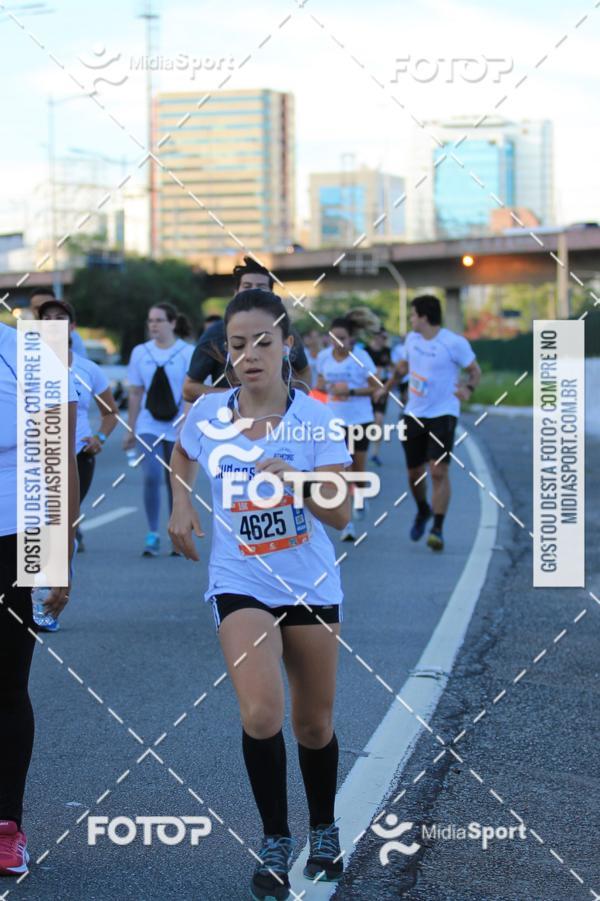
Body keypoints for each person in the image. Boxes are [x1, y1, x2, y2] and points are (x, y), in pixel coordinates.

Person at [168, 289, 352, 901]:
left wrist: (298, 481)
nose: (250, 356)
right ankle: (276, 838)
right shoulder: (208, 413)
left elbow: (344, 512)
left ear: (287, 346)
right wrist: (179, 505)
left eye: (264, 343)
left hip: (310, 584)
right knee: (261, 713)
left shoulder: (319, 418)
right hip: (239, 581)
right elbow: (181, 453)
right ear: (227, 351)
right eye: (238, 345)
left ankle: (322, 830)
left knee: (313, 723)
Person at [0, 321, 79, 876]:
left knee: (6, 683)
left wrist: (59, 558)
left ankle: (7, 827)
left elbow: (58, 459)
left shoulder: (33, 350)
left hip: (14, 536)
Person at [379, 294, 481, 551]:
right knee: (414, 473)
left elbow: (475, 371)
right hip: (413, 413)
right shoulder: (412, 340)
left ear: (424, 317)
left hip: (444, 413)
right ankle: (423, 509)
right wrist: (386, 388)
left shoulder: (453, 343)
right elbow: (402, 368)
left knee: (438, 471)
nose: (411, 319)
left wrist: (468, 389)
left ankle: (437, 527)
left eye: (413, 314)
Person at [38, 299, 119, 560]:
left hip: (78, 457)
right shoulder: (25, 367)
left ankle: (57, 583)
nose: (52, 323)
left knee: (62, 521)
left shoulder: (88, 369)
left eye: (59, 319)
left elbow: (110, 413)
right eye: (46, 318)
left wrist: (100, 438)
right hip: (36, 458)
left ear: (71, 327)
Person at [182, 257, 312, 403]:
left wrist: (295, 402)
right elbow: (189, 388)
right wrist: (237, 396)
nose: (254, 291)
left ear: (272, 293)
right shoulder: (215, 333)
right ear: (236, 292)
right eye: (238, 344)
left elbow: (305, 371)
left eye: (265, 342)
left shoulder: (284, 330)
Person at [123, 303, 194, 557]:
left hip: (178, 425)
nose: (153, 324)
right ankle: (152, 533)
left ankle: (177, 533)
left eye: (159, 320)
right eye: (150, 320)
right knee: (152, 475)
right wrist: (131, 429)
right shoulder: (140, 352)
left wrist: (187, 423)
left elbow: (192, 392)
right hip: (148, 424)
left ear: (172, 323)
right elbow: (135, 392)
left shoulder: (188, 352)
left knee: (174, 481)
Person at [315, 317, 378, 541]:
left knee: (358, 472)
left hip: (360, 420)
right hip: (333, 422)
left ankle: (361, 494)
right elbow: (320, 386)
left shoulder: (361, 358)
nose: (337, 342)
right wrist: (321, 392)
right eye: (333, 338)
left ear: (351, 339)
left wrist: (349, 392)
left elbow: (375, 387)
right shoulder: (323, 358)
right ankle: (347, 524)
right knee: (342, 472)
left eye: (341, 338)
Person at [29, 289, 87, 357]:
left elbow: (80, 363)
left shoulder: (72, 336)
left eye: (48, 307)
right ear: (31, 309)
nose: (43, 311)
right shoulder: (23, 336)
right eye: (38, 308)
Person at [367, 329, 393, 466]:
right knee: (367, 421)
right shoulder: (366, 351)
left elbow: (390, 367)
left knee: (379, 419)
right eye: (382, 337)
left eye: (385, 337)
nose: (383, 340)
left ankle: (374, 452)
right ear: (375, 336)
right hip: (367, 390)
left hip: (382, 389)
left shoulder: (387, 351)